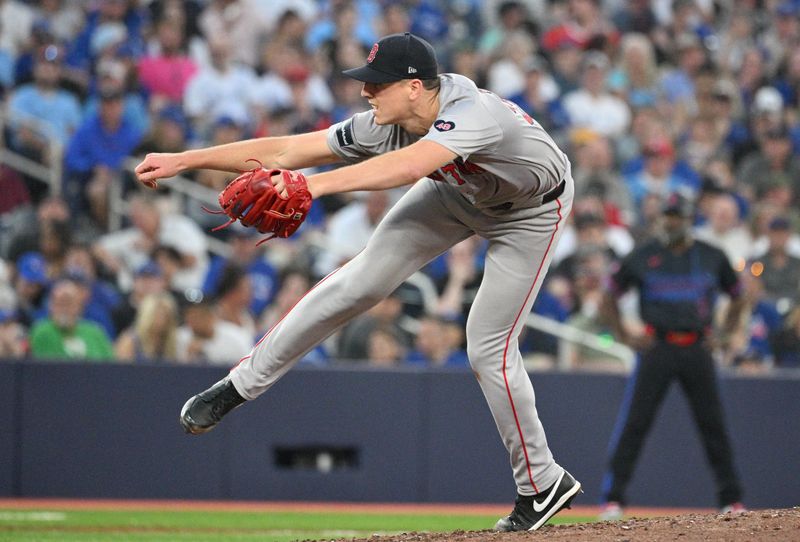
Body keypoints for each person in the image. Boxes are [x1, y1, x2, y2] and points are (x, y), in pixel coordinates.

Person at [135, 32, 581, 531]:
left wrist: (314, 186)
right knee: (357, 284)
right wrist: (185, 160)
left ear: (415, 86)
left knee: (487, 348)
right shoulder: (389, 121)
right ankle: (238, 386)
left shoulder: (471, 111)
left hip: (530, 212)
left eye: (378, 83)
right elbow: (288, 148)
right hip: (459, 194)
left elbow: (410, 165)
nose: (367, 92)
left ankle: (542, 484)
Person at [598, 193, 746, 520]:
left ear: (689, 219)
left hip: (697, 347)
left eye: (677, 216)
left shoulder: (711, 255)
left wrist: (723, 335)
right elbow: (608, 295)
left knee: (713, 425)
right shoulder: (643, 255)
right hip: (657, 347)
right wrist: (624, 335)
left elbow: (738, 295)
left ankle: (731, 498)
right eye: (667, 215)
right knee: (635, 423)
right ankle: (613, 499)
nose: (671, 221)